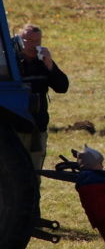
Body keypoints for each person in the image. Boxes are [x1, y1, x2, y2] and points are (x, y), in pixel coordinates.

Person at [15, 24, 69, 172]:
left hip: (37, 128)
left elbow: (62, 87)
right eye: (30, 41)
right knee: (13, 172)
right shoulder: (11, 63)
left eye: (38, 42)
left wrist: (50, 66)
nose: (34, 45)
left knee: (35, 171)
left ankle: (33, 195)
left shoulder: (43, 62)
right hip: (14, 128)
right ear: (19, 40)